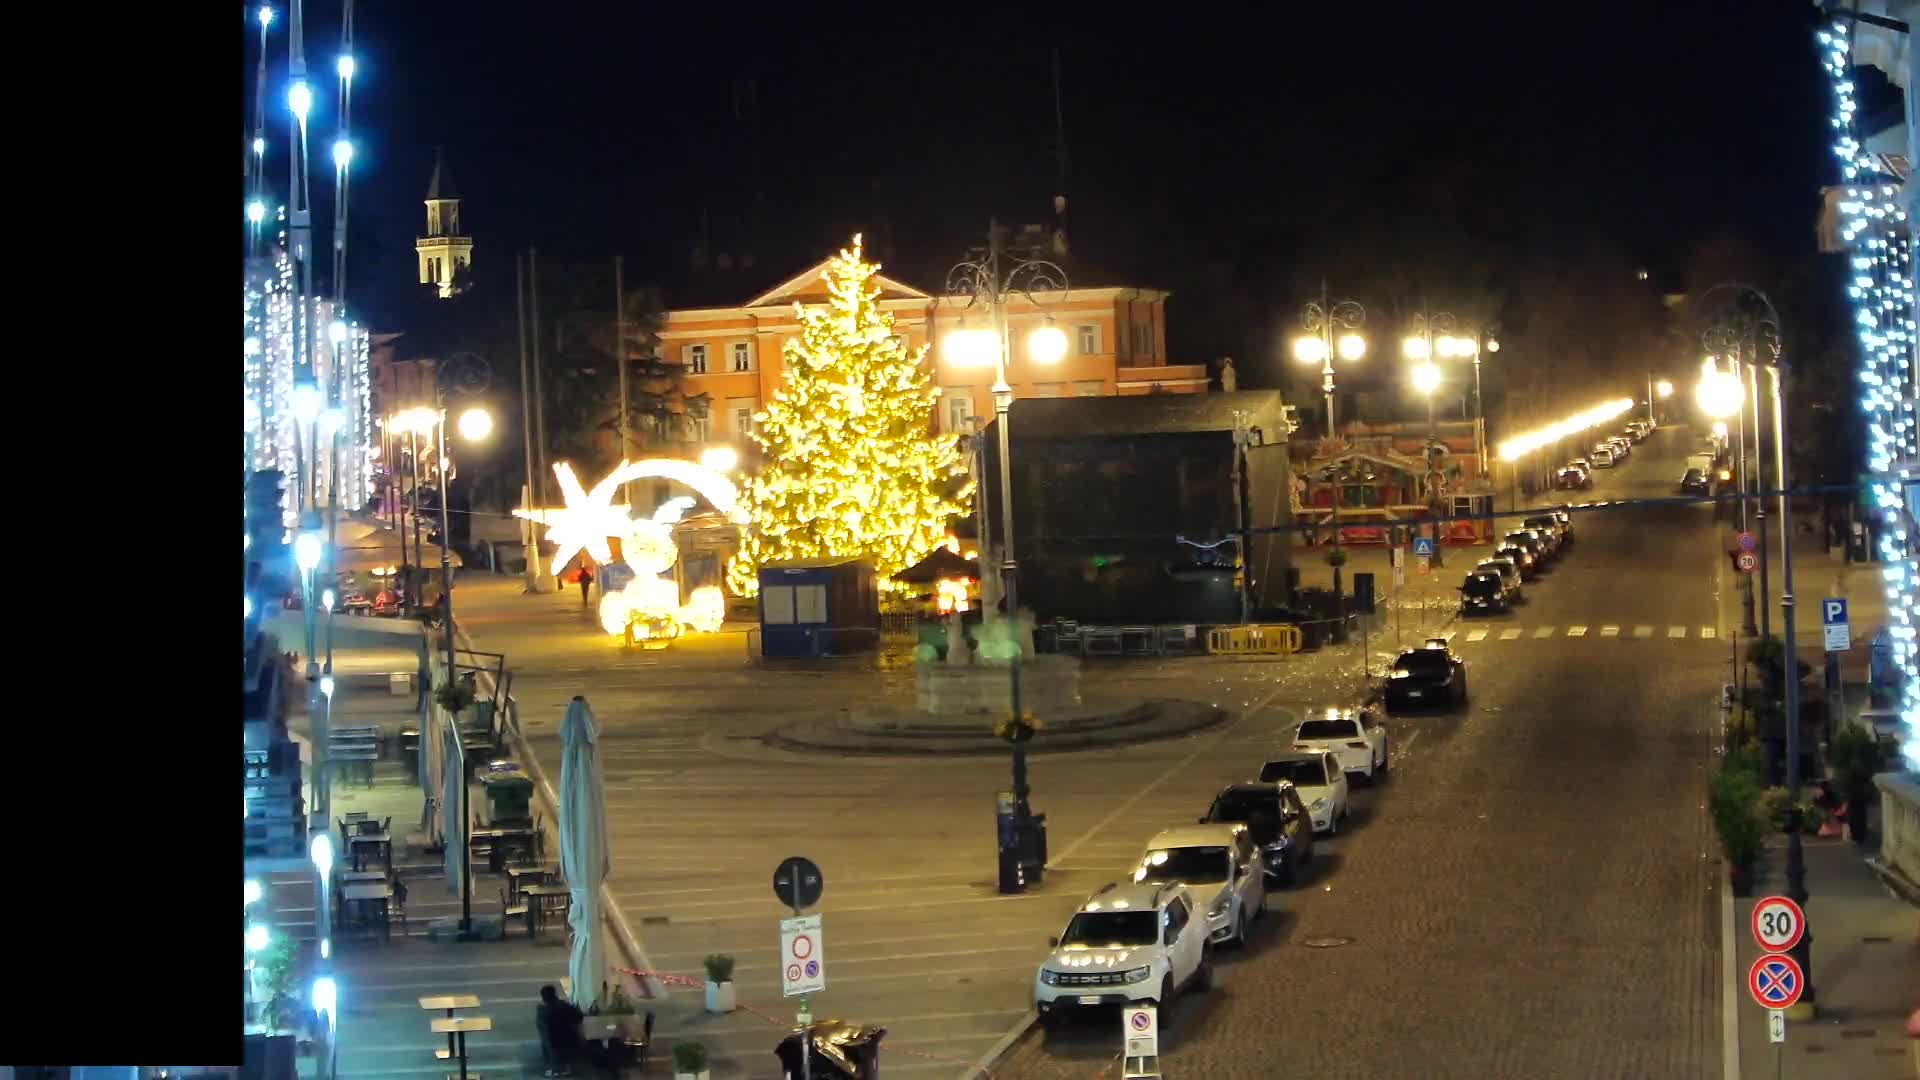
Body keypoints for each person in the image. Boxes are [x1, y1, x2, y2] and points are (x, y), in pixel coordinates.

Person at [536, 984, 584, 1077]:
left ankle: (552, 1067)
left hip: (553, 1043)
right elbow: (579, 1016)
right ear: (555, 994)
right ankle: (566, 1066)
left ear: (543, 997)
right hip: (569, 1039)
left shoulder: (543, 1010)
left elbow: (541, 1028)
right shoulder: (564, 1006)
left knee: (546, 1041)